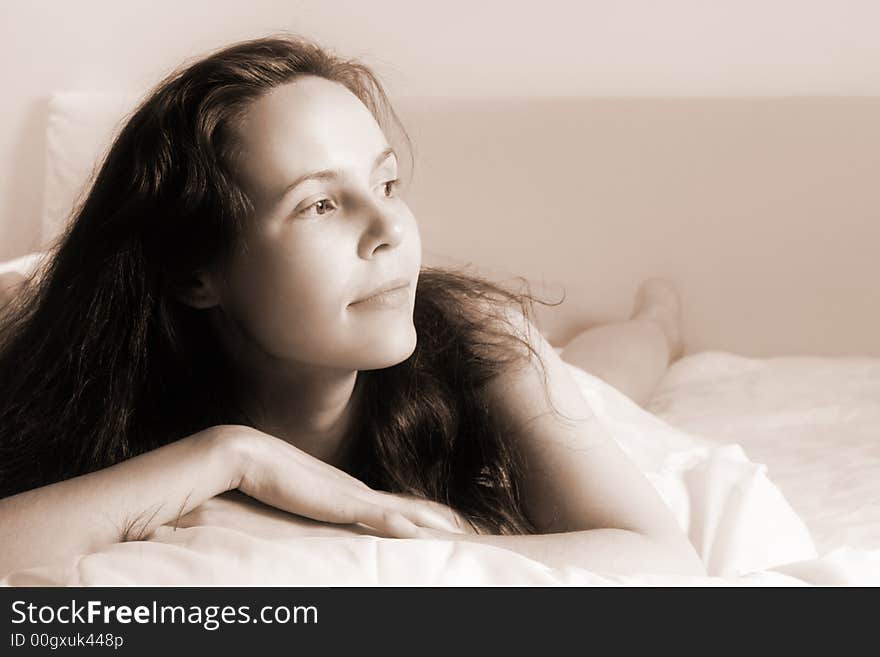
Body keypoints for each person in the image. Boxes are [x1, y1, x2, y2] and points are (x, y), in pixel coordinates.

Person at [0, 35, 704, 578]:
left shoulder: (476, 339)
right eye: (321, 203)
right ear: (195, 272)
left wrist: (394, 532)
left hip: (503, 362)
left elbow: (660, 557)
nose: (390, 228)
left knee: (608, 378)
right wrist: (230, 454)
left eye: (388, 183)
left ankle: (655, 322)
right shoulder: (96, 387)